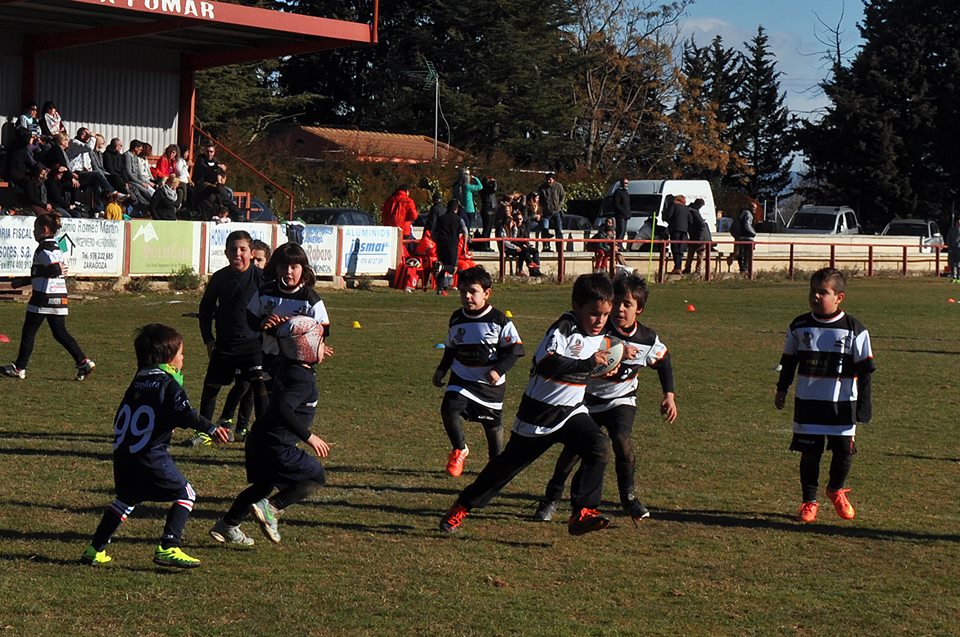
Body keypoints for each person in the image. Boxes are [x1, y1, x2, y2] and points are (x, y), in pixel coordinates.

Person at [438, 272, 615, 536]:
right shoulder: (563, 328)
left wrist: (613, 362)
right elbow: (547, 363)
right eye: (593, 313)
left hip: (572, 412)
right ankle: (463, 504)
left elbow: (601, 353)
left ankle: (583, 510)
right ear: (576, 307)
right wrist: (591, 364)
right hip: (538, 414)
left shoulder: (600, 329)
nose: (600, 320)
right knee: (503, 469)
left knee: (598, 446)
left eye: (604, 314)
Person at [80, 323, 230, 567]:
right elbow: (187, 414)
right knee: (186, 494)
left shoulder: (138, 380)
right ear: (170, 359)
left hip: (124, 454)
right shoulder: (168, 384)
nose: (183, 359)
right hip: (150, 455)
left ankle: (94, 549)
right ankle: (169, 546)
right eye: (181, 354)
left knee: (125, 499)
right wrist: (212, 429)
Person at [533, 272, 677, 523]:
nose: (620, 309)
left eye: (627, 304)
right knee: (572, 453)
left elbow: (664, 362)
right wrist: (614, 350)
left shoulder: (647, 339)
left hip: (620, 400)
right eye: (617, 302)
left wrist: (669, 396)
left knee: (621, 441)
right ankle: (551, 498)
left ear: (639, 310)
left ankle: (628, 498)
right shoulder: (597, 330)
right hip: (585, 400)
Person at [210, 316, 332, 546]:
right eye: (321, 342)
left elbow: (272, 358)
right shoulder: (303, 380)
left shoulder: (285, 364)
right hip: (278, 445)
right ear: (309, 347)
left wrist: (273, 332)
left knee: (263, 486)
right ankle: (272, 508)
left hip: (259, 439)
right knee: (315, 477)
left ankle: (227, 525)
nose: (324, 347)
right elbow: (282, 408)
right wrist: (309, 436)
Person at [775, 268, 875, 523]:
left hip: (842, 405)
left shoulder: (855, 329)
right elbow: (789, 362)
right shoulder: (799, 325)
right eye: (813, 291)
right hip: (808, 402)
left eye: (823, 292)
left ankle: (835, 489)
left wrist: (864, 405)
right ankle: (809, 502)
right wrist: (782, 388)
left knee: (844, 453)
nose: (816, 296)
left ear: (839, 297)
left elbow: (865, 372)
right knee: (810, 454)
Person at [432, 266, 524, 477]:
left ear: (486, 293)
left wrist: (498, 370)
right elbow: (451, 348)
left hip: (490, 387)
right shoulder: (456, 318)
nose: (467, 296)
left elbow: (515, 350)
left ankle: (496, 465)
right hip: (462, 378)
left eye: (472, 291)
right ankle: (459, 449)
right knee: (449, 408)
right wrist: (441, 370)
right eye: (462, 291)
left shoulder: (499, 320)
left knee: (492, 430)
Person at [185, 230, 268, 447]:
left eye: (243, 249)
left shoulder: (262, 278)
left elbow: (273, 307)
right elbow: (205, 309)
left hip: (253, 345)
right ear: (226, 252)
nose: (238, 254)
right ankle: (203, 432)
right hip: (224, 344)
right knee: (211, 387)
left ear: (251, 253)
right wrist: (208, 339)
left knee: (257, 387)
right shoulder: (220, 278)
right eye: (233, 249)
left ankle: (260, 433)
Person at [2, 214, 96, 381]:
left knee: (29, 332)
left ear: (44, 230)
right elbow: (54, 270)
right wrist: (24, 281)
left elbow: (53, 270)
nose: (33, 232)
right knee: (60, 333)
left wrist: (34, 274)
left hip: (44, 296)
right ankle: (83, 362)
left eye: (35, 229)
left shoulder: (43, 248)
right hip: (59, 294)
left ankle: (19, 368)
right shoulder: (57, 247)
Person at [248, 242, 330, 385]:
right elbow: (249, 317)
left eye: (294, 267)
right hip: (267, 357)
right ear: (275, 268)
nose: (288, 271)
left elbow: (323, 327)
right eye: (283, 266)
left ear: (303, 269)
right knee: (267, 403)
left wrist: (317, 344)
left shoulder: (310, 299)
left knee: (289, 402)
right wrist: (262, 323)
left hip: (298, 363)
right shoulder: (265, 293)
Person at [218, 240, 272, 441]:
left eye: (260, 260)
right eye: (254, 259)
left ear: (267, 262)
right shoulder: (243, 282)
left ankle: (242, 427)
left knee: (252, 387)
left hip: (260, 344)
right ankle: (226, 419)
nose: (255, 263)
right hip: (243, 344)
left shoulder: (265, 284)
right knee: (243, 384)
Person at [433, 200, 468, 296]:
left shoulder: (441, 218)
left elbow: (434, 232)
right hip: (452, 244)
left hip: (441, 244)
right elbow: (465, 231)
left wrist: (436, 241)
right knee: (453, 268)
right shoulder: (459, 219)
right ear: (456, 209)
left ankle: (439, 289)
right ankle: (442, 267)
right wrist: (464, 245)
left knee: (440, 266)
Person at [682, 198, 710, 275]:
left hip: (692, 235)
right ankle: (697, 271)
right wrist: (701, 234)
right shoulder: (695, 212)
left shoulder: (689, 209)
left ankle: (687, 268)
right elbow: (701, 224)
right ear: (699, 205)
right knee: (700, 254)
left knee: (690, 253)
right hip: (698, 236)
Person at [538, 173, 565, 252]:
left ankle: (559, 248)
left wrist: (559, 205)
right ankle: (546, 246)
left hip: (556, 211)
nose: (549, 181)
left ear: (554, 180)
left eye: (550, 179)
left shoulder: (558, 186)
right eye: (547, 179)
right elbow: (540, 199)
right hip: (546, 212)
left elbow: (562, 195)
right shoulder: (542, 187)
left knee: (559, 229)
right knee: (545, 229)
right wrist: (544, 206)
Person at [668, 194, 691, 274]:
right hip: (684, 231)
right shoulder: (686, 208)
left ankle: (677, 267)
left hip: (675, 230)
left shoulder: (674, 205)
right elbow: (690, 219)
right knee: (680, 250)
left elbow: (668, 216)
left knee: (675, 249)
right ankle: (678, 266)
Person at [734, 205, 757, 274]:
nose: (755, 210)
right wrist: (753, 232)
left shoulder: (741, 214)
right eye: (754, 208)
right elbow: (747, 224)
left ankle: (742, 268)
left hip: (741, 237)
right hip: (748, 237)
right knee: (748, 254)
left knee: (742, 253)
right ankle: (746, 269)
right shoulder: (748, 214)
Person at [612, 178, 631, 246]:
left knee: (623, 231)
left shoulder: (626, 193)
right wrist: (623, 212)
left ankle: (620, 244)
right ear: (621, 183)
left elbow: (627, 205)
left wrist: (628, 214)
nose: (626, 185)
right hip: (620, 216)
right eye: (624, 183)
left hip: (625, 216)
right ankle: (618, 245)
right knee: (620, 230)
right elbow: (616, 204)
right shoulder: (618, 192)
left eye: (627, 183)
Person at [946, 217, 960, 282]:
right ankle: (954, 276)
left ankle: (959, 277)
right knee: (952, 263)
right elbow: (948, 238)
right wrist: (949, 247)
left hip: (959, 248)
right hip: (952, 248)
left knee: (958, 263)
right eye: (958, 222)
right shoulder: (952, 229)